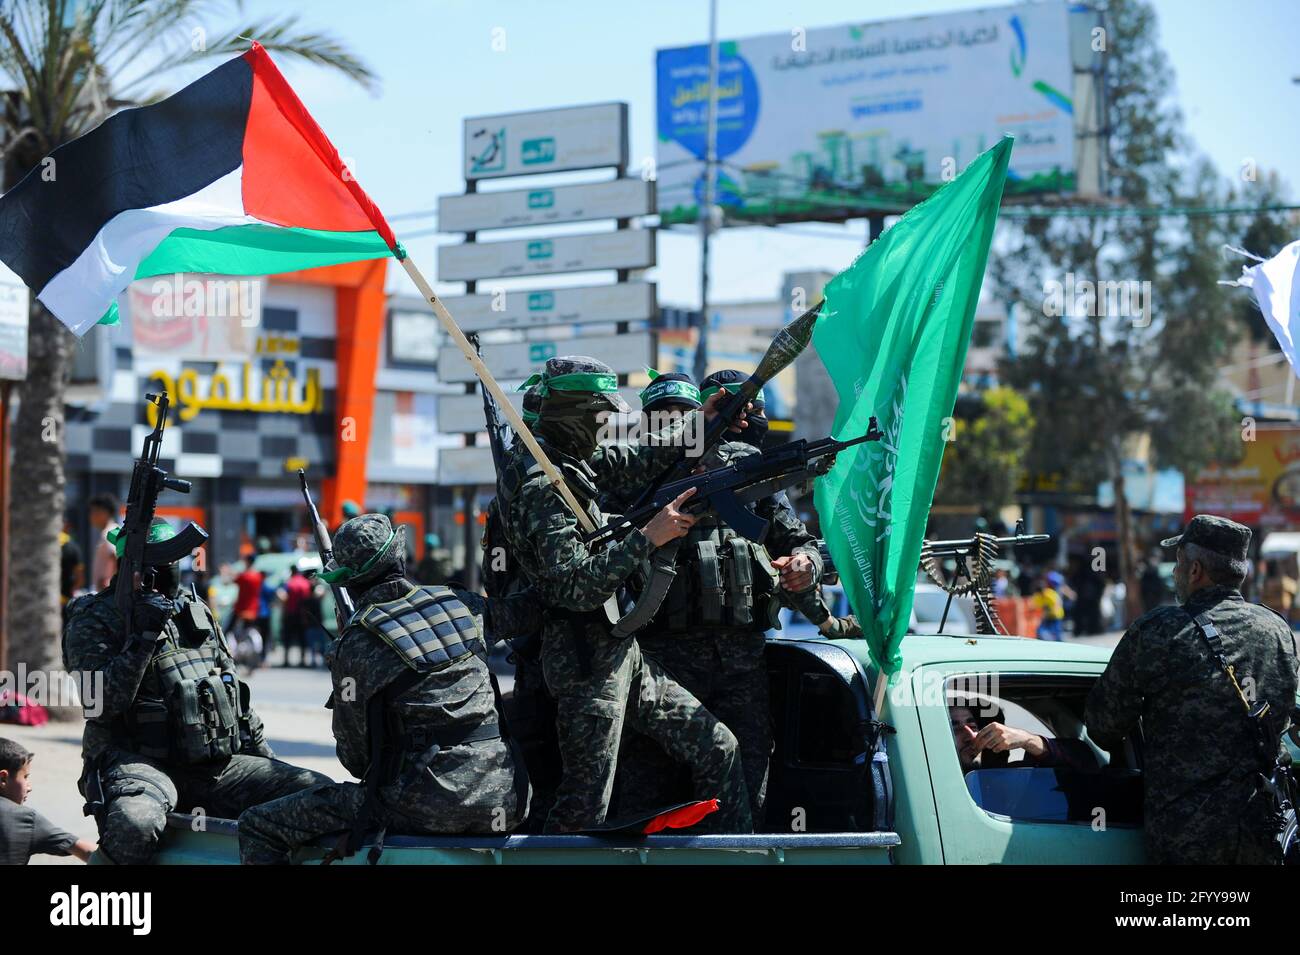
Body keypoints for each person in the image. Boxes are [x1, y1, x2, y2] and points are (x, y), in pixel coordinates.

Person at [499, 356, 752, 834]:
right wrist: (647, 538)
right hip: (583, 661)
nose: (606, 428)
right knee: (583, 809)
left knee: (719, 747)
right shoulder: (540, 484)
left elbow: (642, 459)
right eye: (599, 418)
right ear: (574, 416)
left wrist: (706, 421)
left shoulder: (570, 460)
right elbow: (572, 588)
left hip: (616, 648)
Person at [238, 513, 534, 864]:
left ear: (348, 582)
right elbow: (527, 611)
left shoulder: (359, 641)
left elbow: (355, 759)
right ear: (399, 558)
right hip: (508, 798)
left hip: (426, 806)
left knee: (257, 824)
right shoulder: (463, 604)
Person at [614, 369, 823, 826]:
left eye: (682, 415)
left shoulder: (746, 463)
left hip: (741, 664)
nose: (672, 425)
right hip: (660, 661)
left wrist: (805, 567)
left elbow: (797, 542)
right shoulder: (635, 473)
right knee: (650, 794)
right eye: (661, 418)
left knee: (745, 789)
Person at [62, 517, 330, 864]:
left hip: (212, 764)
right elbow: (102, 704)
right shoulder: (94, 618)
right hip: (138, 762)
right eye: (162, 564)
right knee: (136, 824)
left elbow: (234, 695)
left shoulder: (195, 610)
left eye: (175, 562)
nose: (172, 571)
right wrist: (142, 638)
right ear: (135, 568)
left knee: (317, 792)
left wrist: (265, 761)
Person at [1085, 514, 1300, 864]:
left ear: (1196, 570)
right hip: (1264, 834)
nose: (1174, 573)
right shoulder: (1277, 631)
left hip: (1185, 838)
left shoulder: (1157, 631)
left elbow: (1102, 726)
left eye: (1179, 563)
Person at [0, 738, 97, 864]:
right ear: (3, 779)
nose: (29, 787)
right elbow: (88, 852)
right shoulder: (23, 819)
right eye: (25, 777)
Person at [948, 705, 1098, 773]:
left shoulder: (1015, 776)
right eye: (955, 728)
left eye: (973, 726)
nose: (971, 736)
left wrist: (1027, 740)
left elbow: (1083, 759)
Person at [277, 563, 313, 667]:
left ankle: (286, 660)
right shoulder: (305, 583)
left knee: (287, 638)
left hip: (290, 614)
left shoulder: (289, 583)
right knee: (302, 638)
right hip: (303, 614)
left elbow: (283, 597)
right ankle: (303, 660)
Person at [87, 493, 120, 591]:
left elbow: (113, 555)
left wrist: (107, 578)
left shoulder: (109, 532)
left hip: (107, 590)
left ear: (104, 512)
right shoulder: (113, 530)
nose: (91, 516)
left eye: (93, 511)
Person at [1032, 575, 1066, 641]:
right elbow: (1036, 606)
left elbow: (1058, 602)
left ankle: (1061, 644)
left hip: (1056, 615)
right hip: (1047, 616)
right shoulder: (1037, 597)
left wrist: (1053, 611)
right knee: (1041, 630)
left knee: (1057, 632)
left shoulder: (1050, 594)